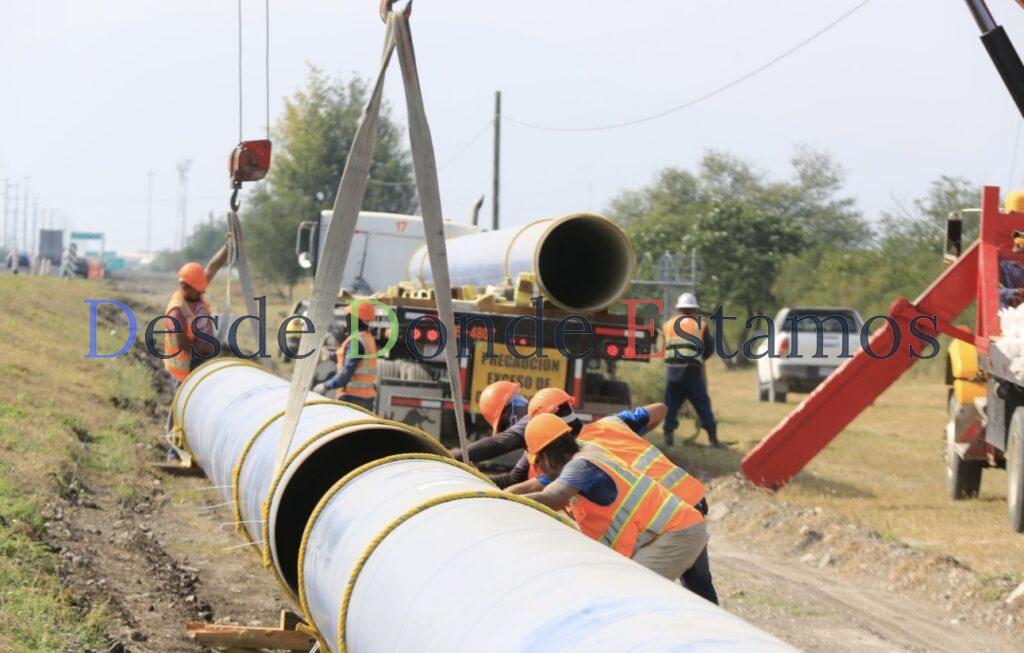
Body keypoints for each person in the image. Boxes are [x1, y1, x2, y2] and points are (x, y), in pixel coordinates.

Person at [520, 388, 718, 603]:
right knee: (690, 590)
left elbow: (551, 497)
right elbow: (660, 409)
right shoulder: (598, 437)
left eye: (538, 466)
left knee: (636, 596)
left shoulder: (581, 465)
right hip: (679, 513)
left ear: (548, 460)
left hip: (675, 525)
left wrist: (508, 502)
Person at [163, 236, 231, 384]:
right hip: (184, 372)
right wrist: (208, 349)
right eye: (198, 290)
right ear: (185, 286)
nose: (202, 293)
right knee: (184, 406)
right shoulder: (176, 312)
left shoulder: (194, 289)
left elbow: (212, 267)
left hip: (200, 361)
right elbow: (183, 345)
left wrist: (228, 245)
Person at [662, 292, 720, 448]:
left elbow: (664, 348)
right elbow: (708, 349)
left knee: (671, 406)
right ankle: (713, 440)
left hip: (672, 372)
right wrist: (699, 360)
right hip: (692, 372)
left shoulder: (667, 325)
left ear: (679, 309)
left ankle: (668, 435)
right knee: (702, 404)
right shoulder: (700, 325)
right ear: (694, 310)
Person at [313, 302, 379, 411]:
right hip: (366, 398)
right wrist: (329, 356)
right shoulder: (367, 338)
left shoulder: (356, 342)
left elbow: (346, 374)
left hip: (352, 399)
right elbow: (350, 358)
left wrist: (325, 386)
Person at [450, 380, 529, 464]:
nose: (507, 428)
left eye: (503, 424)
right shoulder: (530, 447)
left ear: (509, 407)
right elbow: (514, 477)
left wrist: (453, 458)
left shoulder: (531, 420)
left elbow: (498, 444)